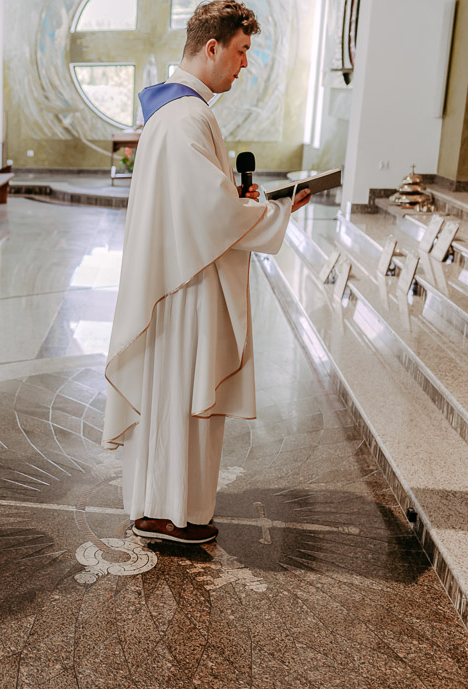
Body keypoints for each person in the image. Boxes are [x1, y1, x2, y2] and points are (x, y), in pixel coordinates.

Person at [102, 0, 311, 545]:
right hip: (185, 286)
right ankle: (170, 513)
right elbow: (212, 215)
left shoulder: (173, 112)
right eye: (241, 51)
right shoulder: (188, 116)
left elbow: (203, 204)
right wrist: (276, 210)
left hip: (177, 275)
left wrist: (249, 202)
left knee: (171, 397)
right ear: (212, 47)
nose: (244, 65)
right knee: (180, 396)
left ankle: (161, 505)